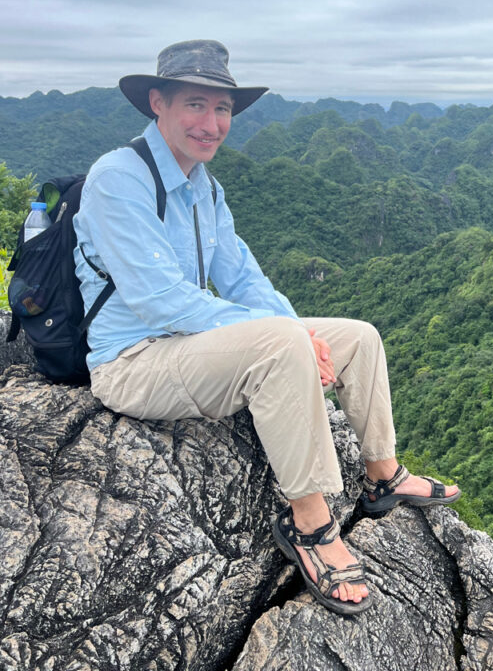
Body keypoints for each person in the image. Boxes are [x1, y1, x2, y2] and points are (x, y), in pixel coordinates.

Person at [73, 40, 459, 615]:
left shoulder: (204, 187)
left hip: (191, 346)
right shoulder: (118, 179)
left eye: (222, 109)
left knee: (357, 335)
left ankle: (381, 473)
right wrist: (290, 339)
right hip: (133, 361)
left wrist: (305, 334)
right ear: (157, 102)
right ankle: (309, 522)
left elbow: (244, 279)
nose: (212, 124)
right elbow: (162, 303)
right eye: (196, 105)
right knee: (283, 342)